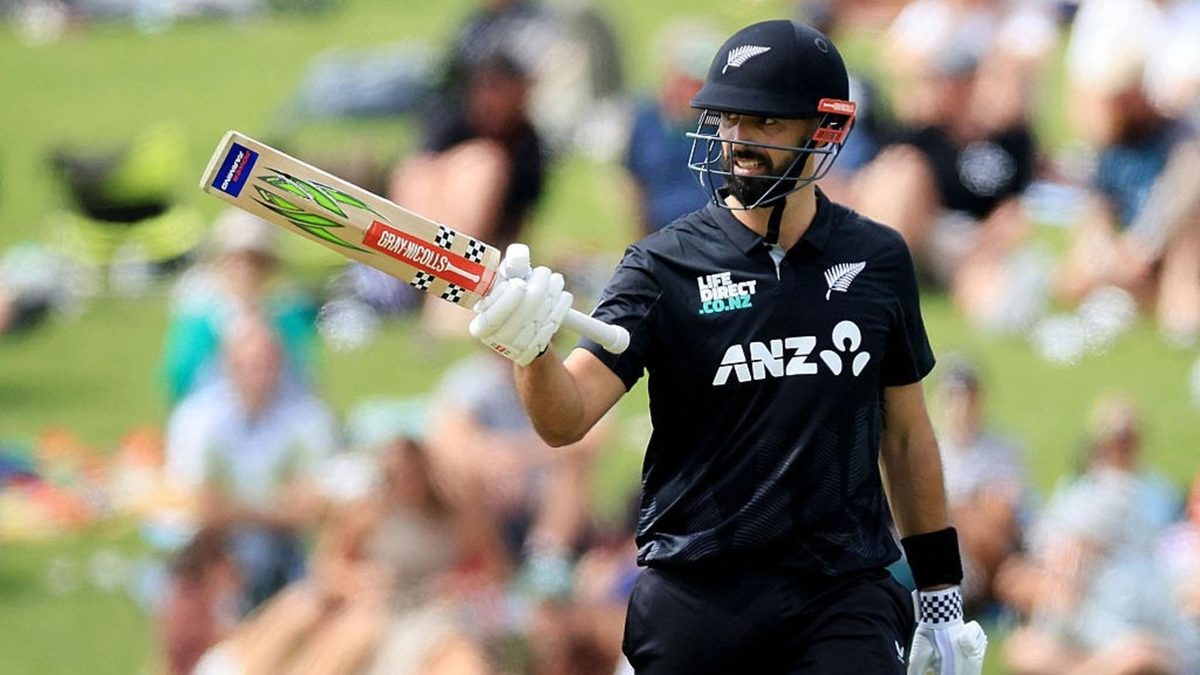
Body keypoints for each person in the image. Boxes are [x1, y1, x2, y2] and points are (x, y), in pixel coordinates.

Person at [467, 19, 986, 674]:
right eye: (728, 119)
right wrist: (532, 349)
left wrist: (940, 596)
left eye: (764, 123)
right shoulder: (660, 267)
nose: (738, 141)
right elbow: (565, 418)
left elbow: (908, 436)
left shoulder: (876, 260)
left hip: (842, 592)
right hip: (696, 592)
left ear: (824, 129)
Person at [165, 312, 338, 614]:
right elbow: (200, 505)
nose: (259, 374)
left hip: (290, 546)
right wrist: (276, 509)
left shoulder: (309, 417)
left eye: (267, 363)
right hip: (214, 546)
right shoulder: (197, 419)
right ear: (227, 364)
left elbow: (313, 503)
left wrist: (236, 509)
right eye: (249, 364)